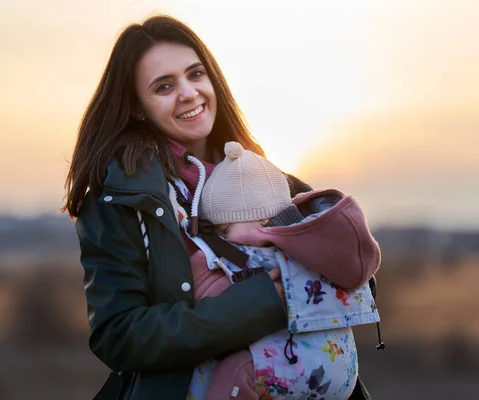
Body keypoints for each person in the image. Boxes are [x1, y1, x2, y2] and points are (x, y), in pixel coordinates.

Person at [63, 14, 375, 400]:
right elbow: (119, 335)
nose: (189, 93)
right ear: (138, 107)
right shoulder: (119, 200)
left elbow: (357, 275)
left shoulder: (270, 180)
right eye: (164, 86)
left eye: (196, 74)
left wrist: (320, 268)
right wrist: (259, 304)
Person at [171, 141, 380, 399]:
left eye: (223, 229)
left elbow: (204, 295)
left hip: (297, 367)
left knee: (234, 373)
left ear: (260, 219)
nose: (219, 236)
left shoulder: (251, 255)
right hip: (343, 367)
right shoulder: (317, 246)